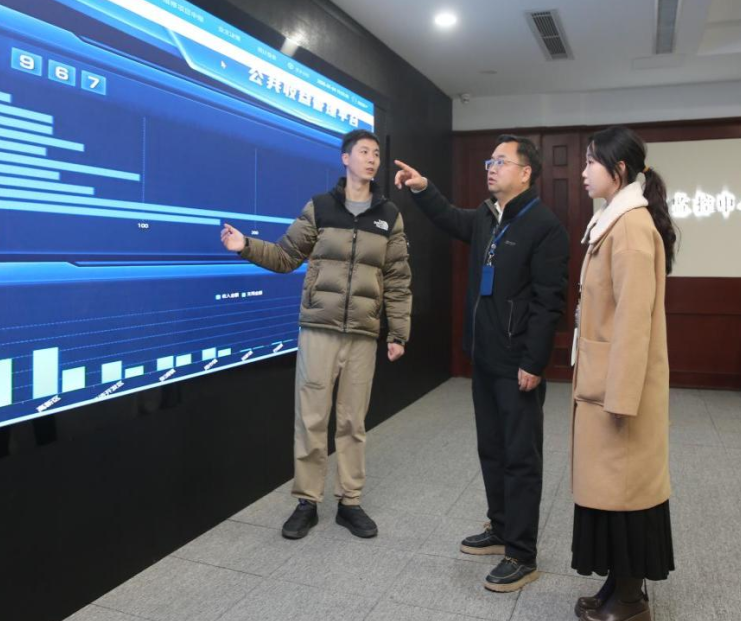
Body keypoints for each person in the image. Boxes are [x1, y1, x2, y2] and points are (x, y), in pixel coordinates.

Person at [394, 135, 568, 592]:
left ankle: (522, 554)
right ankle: (501, 527)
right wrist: (423, 187)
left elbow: (550, 302)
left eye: (501, 161)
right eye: (489, 161)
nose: (491, 167)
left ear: (525, 173)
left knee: (521, 458)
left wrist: (534, 361)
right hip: (485, 358)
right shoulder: (488, 217)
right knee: (491, 448)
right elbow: (450, 217)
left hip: (518, 364)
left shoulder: (544, 226)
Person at [221, 129, 411, 541]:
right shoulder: (321, 207)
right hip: (318, 330)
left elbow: (398, 278)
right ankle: (307, 501)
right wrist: (245, 246)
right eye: (364, 151)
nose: (372, 159)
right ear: (345, 158)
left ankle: (350, 502)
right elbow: (286, 256)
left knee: (353, 421)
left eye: (376, 153)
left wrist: (398, 332)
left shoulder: (389, 215)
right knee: (311, 418)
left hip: (362, 332)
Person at [571, 125, 676, 621]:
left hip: (620, 389)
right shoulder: (614, 219)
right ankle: (617, 585)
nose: (582, 172)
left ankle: (632, 600)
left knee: (627, 493)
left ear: (618, 170)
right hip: (605, 380)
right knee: (610, 493)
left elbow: (634, 324)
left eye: (591, 162)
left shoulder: (630, 227)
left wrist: (621, 399)